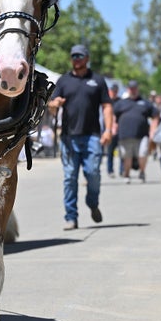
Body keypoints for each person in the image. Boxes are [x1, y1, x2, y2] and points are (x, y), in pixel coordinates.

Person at [48, 44, 113, 230]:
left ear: (87, 58)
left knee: (93, 174)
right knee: (70, 178)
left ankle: (92, 203)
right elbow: (52, 107)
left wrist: (108, 130)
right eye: (73, 56)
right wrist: (55, 104)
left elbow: (107, 106)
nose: (76, 59)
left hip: (92, 136)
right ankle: (71, 217)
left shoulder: (98, 81)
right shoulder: (63, 81)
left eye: (80, 56)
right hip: (69, 137)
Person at [113, 80, 159, 183]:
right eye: (131, 88)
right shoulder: (121, 103)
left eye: (135, 88)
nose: (133, 90)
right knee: (127, 156)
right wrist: (113, 127)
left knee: (142, 154)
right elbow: (113, 115)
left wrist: (153, 130)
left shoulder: (145, 103)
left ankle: (142, 172)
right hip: (125, 135)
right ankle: (127, 174)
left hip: (142, 135)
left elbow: (155, 116)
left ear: (138, 89)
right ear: (128, 89)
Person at [105, 83, 121, 178]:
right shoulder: (106, 101)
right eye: (112, 90)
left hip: (119, 129)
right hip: (109, 130)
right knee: (110, 152)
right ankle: (110, 170)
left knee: (122, 152)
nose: (113, 92)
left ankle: (122, 170)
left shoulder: (120, 101)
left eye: (115, 91)